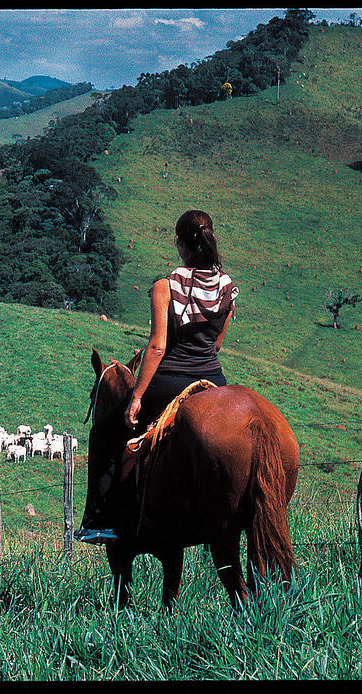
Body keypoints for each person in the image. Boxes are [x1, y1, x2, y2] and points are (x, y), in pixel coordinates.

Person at [76, 210, 239, 544]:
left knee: (104, 435)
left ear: (179, 243)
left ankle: (99, 520)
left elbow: (157, 348)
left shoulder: (167, 287)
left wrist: (135, 398)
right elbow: (217, 343)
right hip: (213, 380)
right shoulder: (227, 288)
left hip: (171, 382)